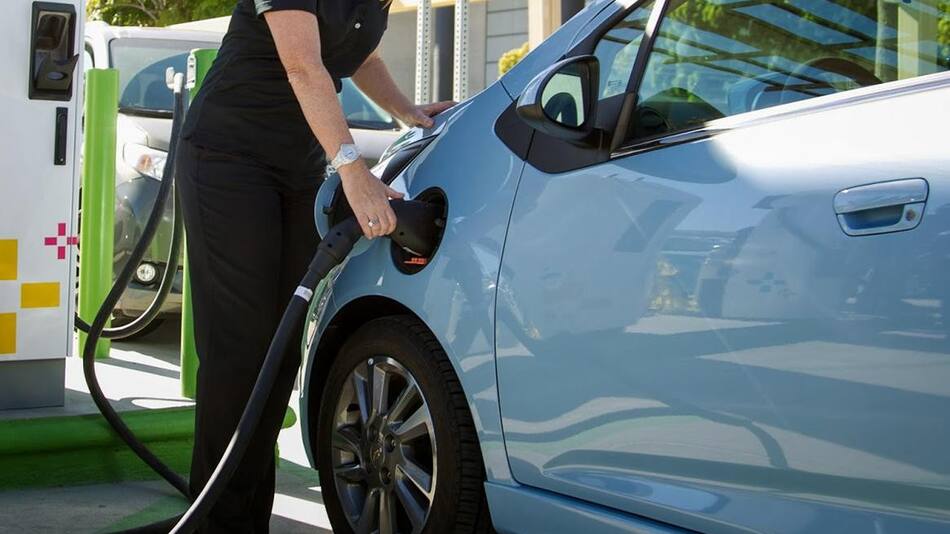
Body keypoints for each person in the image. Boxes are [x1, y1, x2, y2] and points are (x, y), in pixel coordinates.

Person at [174, 0, 453, 530]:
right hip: (226, 161)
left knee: (279, 353)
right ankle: (216, 520)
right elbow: (303, 65)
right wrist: (353, 170)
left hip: (296, 169)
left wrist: (409, 112)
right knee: (239, 351)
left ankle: (244, 517)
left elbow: (360, 55)